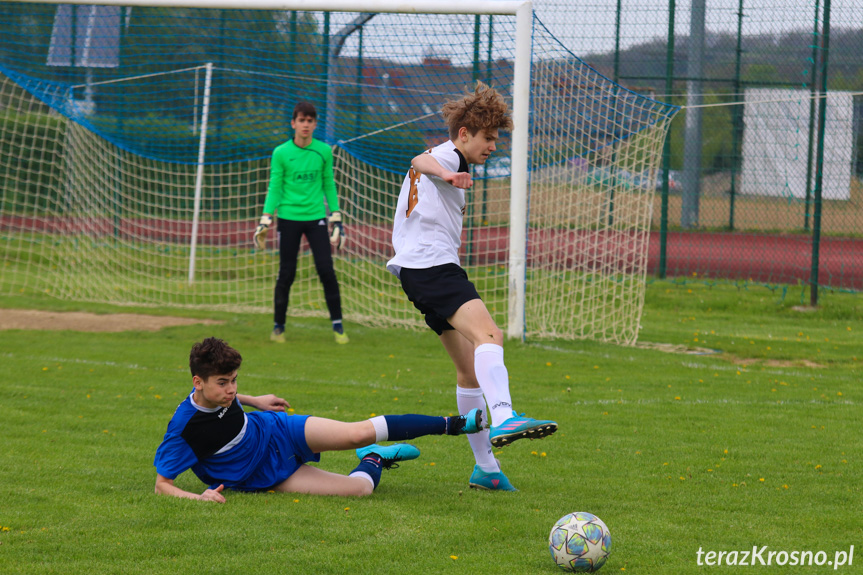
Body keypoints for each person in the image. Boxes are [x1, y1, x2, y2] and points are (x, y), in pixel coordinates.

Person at [386, 83, 558, 492]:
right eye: (488, 138)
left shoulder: (452, 158)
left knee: (468, 371)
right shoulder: (447, 155)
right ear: (464, 134)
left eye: (497, 138)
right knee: (490, 335)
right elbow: (420, 159)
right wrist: (446, 171)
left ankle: (487, 469)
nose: (493, 146)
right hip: (431, 266)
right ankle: (505, 415)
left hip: (417, 270)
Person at [153, 337, 483, 502]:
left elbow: (227, 401)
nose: (231, 389)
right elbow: (162, 485)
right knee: (360, 491)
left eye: (234, 380)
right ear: (198, 383)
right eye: (223, 383)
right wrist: (199, 497)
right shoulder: (184, 431)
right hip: (265, 473)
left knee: (357, 433)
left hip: (276, 430)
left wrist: (255, 400)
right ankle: (374, 459)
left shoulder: (220, 392)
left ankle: (454, 424)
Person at [253, 101, 349, 345]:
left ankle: (338, 328)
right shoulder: (281, 152)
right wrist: (266, 217)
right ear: (293, 123)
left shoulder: (323, 151)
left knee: (326, 269)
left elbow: (329, 183)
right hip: (288, 218)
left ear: (315, 124)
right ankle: (278, 328)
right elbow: (275, 186)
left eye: (310, 120)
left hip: (316, 217)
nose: (305, 125)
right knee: (287, 273)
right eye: (301, 120)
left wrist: (336, 216)